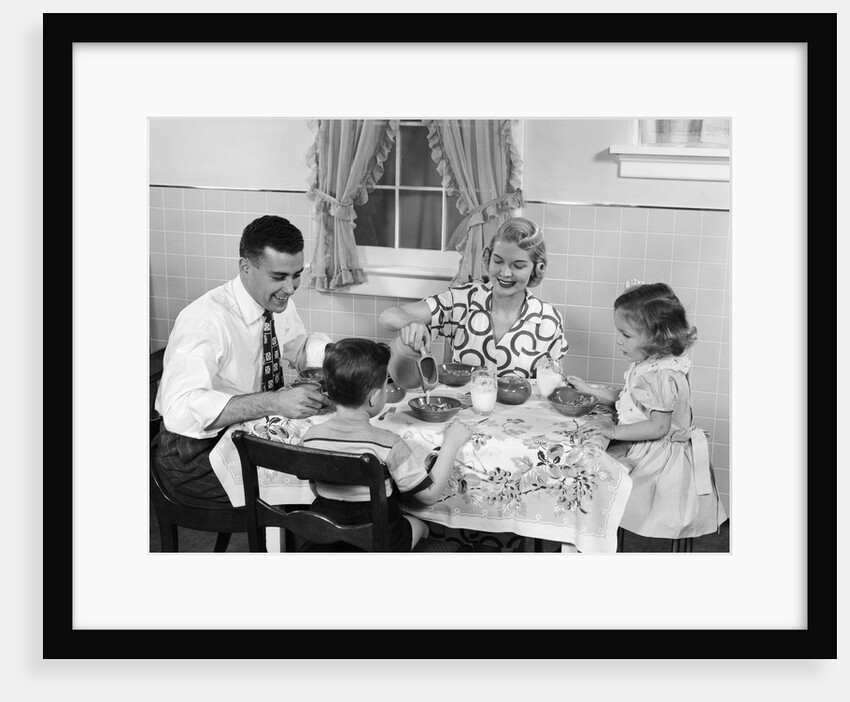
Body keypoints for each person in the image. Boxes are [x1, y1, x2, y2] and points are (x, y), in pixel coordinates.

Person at [154, 215, 332, 503]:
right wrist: (275, 402)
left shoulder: (277, 302)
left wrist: (335, 356)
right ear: (245, 267)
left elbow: (297, 348)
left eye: (297, 274)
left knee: (330, 461)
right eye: (279, 277)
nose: (290, 288)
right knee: (318, 480)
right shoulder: (205, 321)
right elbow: (180, 410)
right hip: (193, 453)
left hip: (246, 432)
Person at [566, 282, 728, 540]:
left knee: (595, 482)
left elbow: (658, 426)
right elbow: (631, 400)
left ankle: (588, 541)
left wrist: (612, 430)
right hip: (648, 448)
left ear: (656, 337)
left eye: (626, 335)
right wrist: (590, 390)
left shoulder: (661, 375)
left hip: (659, 459)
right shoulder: (650, 364)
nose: (618, 340)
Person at [301, 338, 471, 551]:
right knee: (422, 525)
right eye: (385, 384)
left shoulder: (310, 437)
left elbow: (316, 487)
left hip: (325, 534)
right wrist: (451, 443)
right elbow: (429, 495)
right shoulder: (388, 445)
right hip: (381, 540)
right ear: (374, 398)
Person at [378, 216, 568, 378]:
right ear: (488, 257)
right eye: (498, 261)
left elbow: (549, 388)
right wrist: (413, 322)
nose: (505, 273)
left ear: (536, 268)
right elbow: (388, 316)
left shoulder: (548, 320)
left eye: (518, 266)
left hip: (519, 421)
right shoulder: (462, 301)